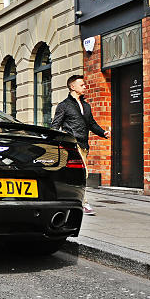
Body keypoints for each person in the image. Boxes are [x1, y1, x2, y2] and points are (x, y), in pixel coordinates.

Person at [51, 74, 110, 216]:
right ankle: (83, 203)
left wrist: (103, 133)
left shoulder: (86, 106)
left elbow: (91, 124)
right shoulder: (64, 106)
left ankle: (67, 197)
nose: (85, 87)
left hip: (84, 145)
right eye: (82, 85)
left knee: (75, 174)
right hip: (72, 144)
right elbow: (55, 126)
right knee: (83, 173)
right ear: (72, 87)